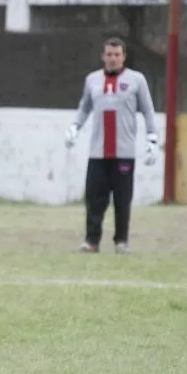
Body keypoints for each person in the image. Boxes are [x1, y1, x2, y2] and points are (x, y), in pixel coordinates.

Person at [64, 37, 159, 254]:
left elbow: (148, 110)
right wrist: (74, 127)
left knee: (122, 199)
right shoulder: (92, 80)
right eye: (109, 54)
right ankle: (91, 241)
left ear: (124, 56)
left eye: (117, 55)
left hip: (124, 152)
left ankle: (121, 241)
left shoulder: (136, 80)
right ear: (103, 56)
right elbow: (84, 107)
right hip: (97, 152)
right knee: (94, 198)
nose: (113, 58)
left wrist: (152, 138)